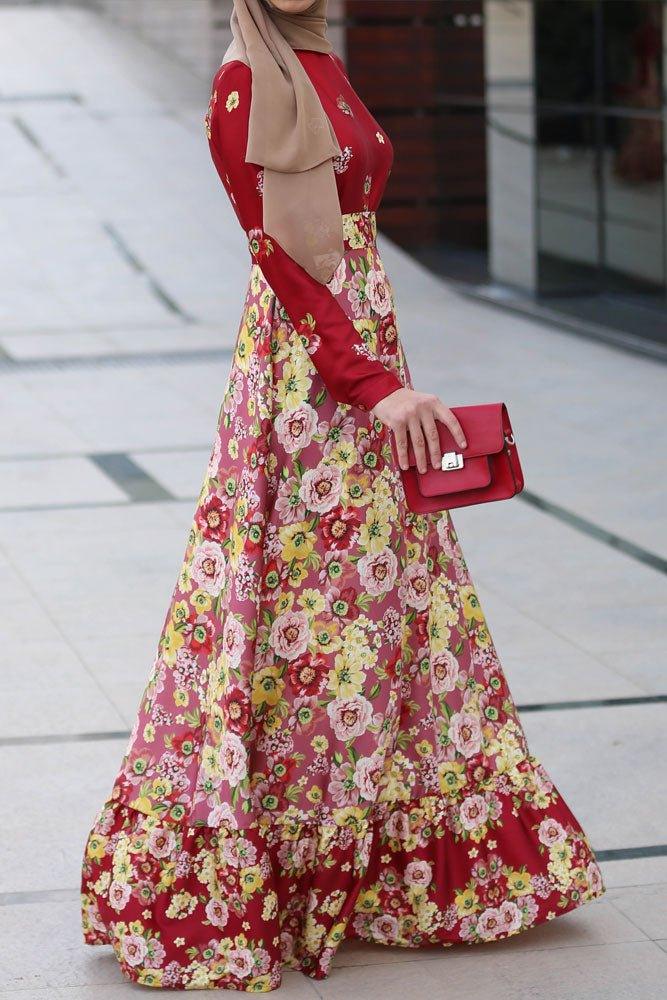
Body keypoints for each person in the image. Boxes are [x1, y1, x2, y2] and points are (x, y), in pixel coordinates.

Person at [80, 1, 605, 991]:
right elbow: (280, 257)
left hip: (362, 353)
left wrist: (381, 369)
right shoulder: (249, 78)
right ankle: (276, 865)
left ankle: (381, 864)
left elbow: (346, 239)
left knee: (385, 610)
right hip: (309, 389)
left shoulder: (318, 53)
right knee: (300, 619)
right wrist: (371, 384)